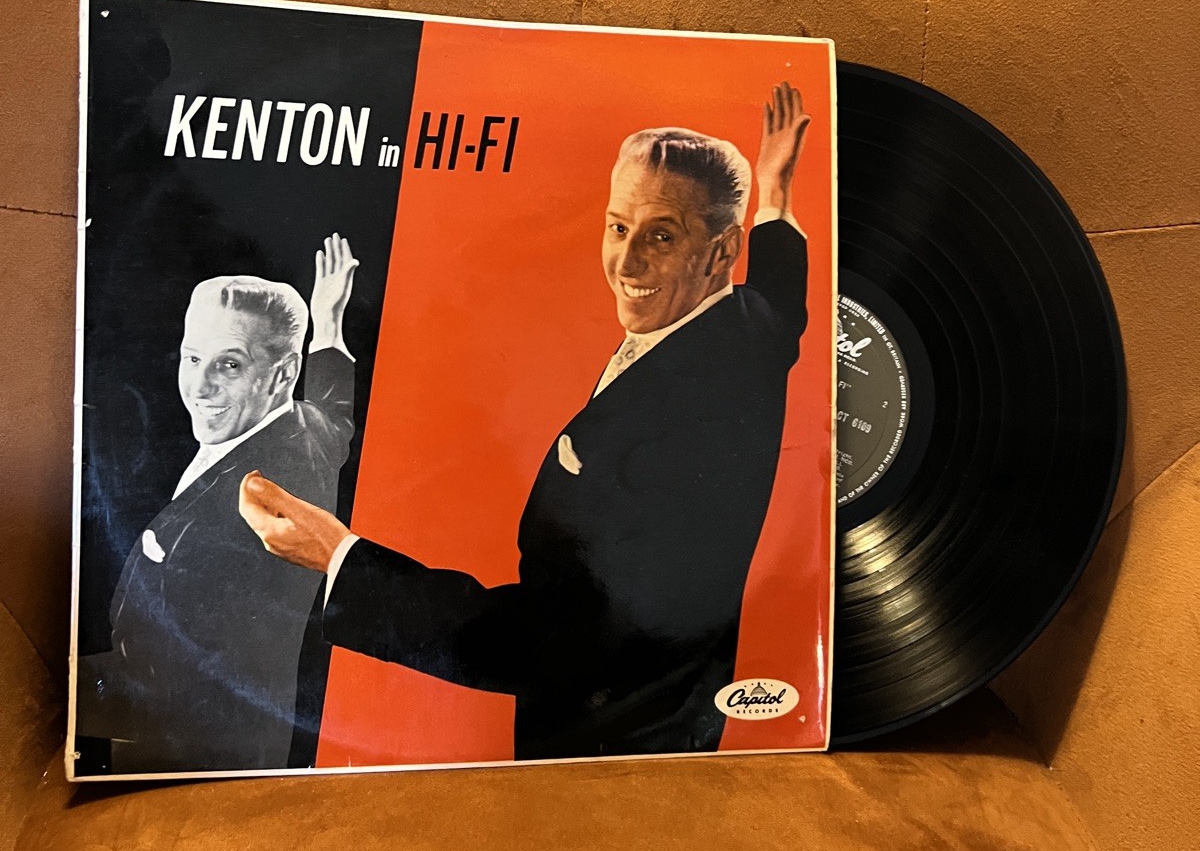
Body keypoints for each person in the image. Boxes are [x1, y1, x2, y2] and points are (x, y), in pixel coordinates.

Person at [240, 85, 812, 760]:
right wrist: (775, 195)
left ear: (720, 253)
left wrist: (342, 561)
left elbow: (546, 642)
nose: (627, 264)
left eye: (662, 235)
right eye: (618, 227)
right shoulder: (750, 328)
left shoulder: (686, 427)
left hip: (609, 755)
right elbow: (783, 299)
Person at [76, 234, 360, 774]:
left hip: (189, 761)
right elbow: (334, 412)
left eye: (229, 365)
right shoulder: (310, 431)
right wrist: (328, 323)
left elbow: (173, 684)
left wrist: (51, 690)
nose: (199, 387)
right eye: (192, 357)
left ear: (282, 375)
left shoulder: (241, 517)